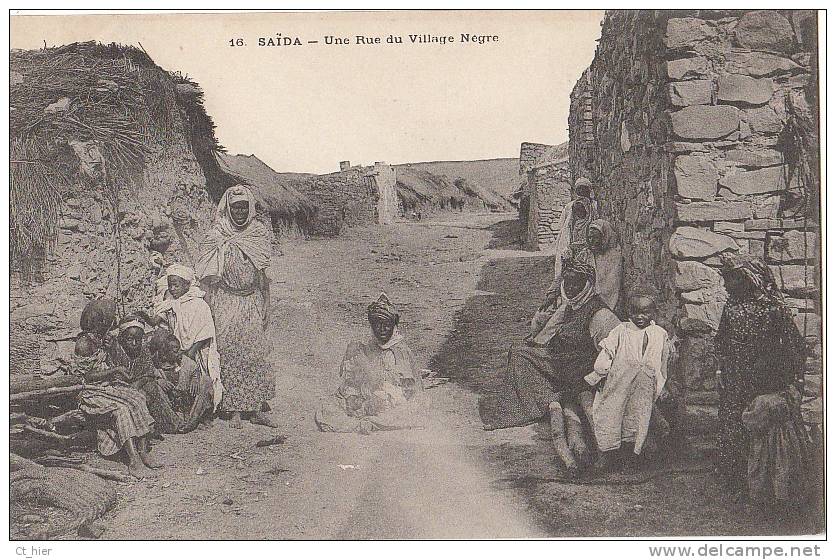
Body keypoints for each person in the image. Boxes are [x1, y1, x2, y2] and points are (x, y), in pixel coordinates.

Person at [482, 259, 620, 467]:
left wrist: (596, 378)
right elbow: (550, 329)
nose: (571, 288)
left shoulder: (600, 314)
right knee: (520, 353)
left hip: (581, 369)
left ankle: (539, 401)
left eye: (576, 284)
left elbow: (612, 350)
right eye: (567, 283)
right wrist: (537, 341)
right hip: (562, 360)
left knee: (524, 358)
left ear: (587, 284)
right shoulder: (572, 305)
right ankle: (531, 402)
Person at [715, 253, 809, 502]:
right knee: (734, 426)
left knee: (763, 431)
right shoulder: (731, 307)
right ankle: (736, 481)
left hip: (765, 379)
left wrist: (792, 382)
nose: (725, 284)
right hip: (736, 379)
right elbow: (721, 341)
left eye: (730, 279)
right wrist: (720, 369)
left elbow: (794, 346)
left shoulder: (772, 308)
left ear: (747, 279)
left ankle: (767, 488)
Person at [195, 184, 275, 429]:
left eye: (243, 207)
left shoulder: (258, 232)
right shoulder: (218, 233)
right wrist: (207, 303)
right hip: (226, 300)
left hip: (251, 299)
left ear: (250, 208)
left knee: (255, 352)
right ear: (228, 209)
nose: (239, 212)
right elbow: (207, 273)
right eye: (235, 207)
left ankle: (255, 406)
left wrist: (267, 303)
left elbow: (263, 272)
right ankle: (233, 409)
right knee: (229, 352)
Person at [584, 293, 672, 472]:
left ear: (654, 313)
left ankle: (631, 459)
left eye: (646, 312)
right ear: (628, 312)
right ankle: (608, 457)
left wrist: (660, 384)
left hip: (643, 387)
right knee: (611, 417)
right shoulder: (621, 332)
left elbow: (663, 361)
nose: (640, 317)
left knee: (638, 419)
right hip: (619, 384)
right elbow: (606, 355)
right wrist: (600, 374)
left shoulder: (659, 334)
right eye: (635, 312)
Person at [315, 293, 426, 434]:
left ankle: (373, 422)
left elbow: (408, 390)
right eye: (377, 325)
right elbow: (355, 380)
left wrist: (383, 398)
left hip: (393, 402)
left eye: (386, 325)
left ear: (393, 326)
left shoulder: (400, 352)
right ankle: (368, 421)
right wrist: (353, 396)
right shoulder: (368, 348)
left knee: (404, 414)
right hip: (366, 399)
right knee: (329, 407)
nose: (381, 329)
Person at [72, 299, 159, 478]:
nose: (112, 323)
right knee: (121, 410)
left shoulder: (101, 338)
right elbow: (85, 377)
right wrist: (115, 370)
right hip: (90, 391)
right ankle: (133, 459)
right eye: (109, 320)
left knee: (138, 398)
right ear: (101, 322)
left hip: (106, 387)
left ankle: (143, 451)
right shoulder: (84, 343)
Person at [144, 263, 224, 413]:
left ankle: (201, 409)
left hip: (196, 350)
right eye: (170, 286)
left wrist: (191, 352)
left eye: (176, 285)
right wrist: (143, 317)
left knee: (198, 379)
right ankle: (181, 406)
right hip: (177, 349)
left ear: (187, 284)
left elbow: (205, 331)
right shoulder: (171, 303)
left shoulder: (199, 304)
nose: (172, 289)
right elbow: (156, 320)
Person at [107, 316, 185, 434]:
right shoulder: (115, 351)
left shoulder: (143, 351)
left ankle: (168, 424)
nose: (134, 343)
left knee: (151, 387)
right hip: (118, 390)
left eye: (138, 339)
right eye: (129, 339)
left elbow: (148, 374)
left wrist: (138, 384)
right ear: (122, 338)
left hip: (137, 386)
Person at [543, 178, 599, 308]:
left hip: (587, 249)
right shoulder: (571, 207)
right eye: (579, 190)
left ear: (589, 190)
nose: (581, 192)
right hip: (572, 246)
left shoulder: (593, 208)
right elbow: (565, 226)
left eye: (584, 189)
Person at [149, 330, 214, 432]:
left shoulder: (185, 362)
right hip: (169, 412)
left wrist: (195, 379)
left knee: (206, 380)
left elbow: (195, 369)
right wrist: (158, 381)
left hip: (186, 408)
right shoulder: (155, 367)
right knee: (153, 388)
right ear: (164, 354)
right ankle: (176, 425)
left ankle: (193, 421)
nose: (179, 353)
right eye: (175, 351)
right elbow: (146, 377)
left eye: (179, 349)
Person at [586, 219, 623, 314]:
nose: (592, 241)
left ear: (604, 237)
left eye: (596, 237)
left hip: (603, 303)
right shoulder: (590, 254)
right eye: (590, 237)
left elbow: (609, 288)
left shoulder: (614, 255)